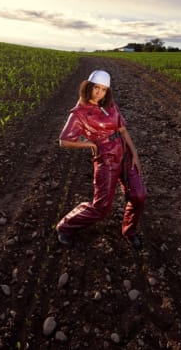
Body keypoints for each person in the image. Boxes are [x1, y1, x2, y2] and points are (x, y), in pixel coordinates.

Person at [56, 70, 147, 249]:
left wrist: (134, 153)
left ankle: (129, 231)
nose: (99, 93)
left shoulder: (110, 106)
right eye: (96, 88)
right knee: (101, 207)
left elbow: (122, 130)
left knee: (139, 195)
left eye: (104, 89)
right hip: (106, 159)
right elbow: (64, 141)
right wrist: (89, 144)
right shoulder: (79, 113)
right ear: (88, 87)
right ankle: (65, 226)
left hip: (125, 153)